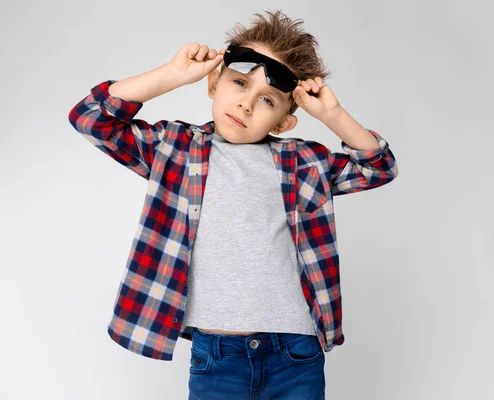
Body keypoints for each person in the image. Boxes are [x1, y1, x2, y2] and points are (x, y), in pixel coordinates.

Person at [68, 9, 398, 399]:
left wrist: (332, 115)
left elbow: (378, 167)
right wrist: (173, 74)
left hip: (294, 354)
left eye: (266, 100)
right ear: (213, 82)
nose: (245, 104)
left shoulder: (304, 163)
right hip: (217, 356)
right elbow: (90, 117)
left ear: (282, 122)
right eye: (239, 83)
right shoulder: (173, 150)